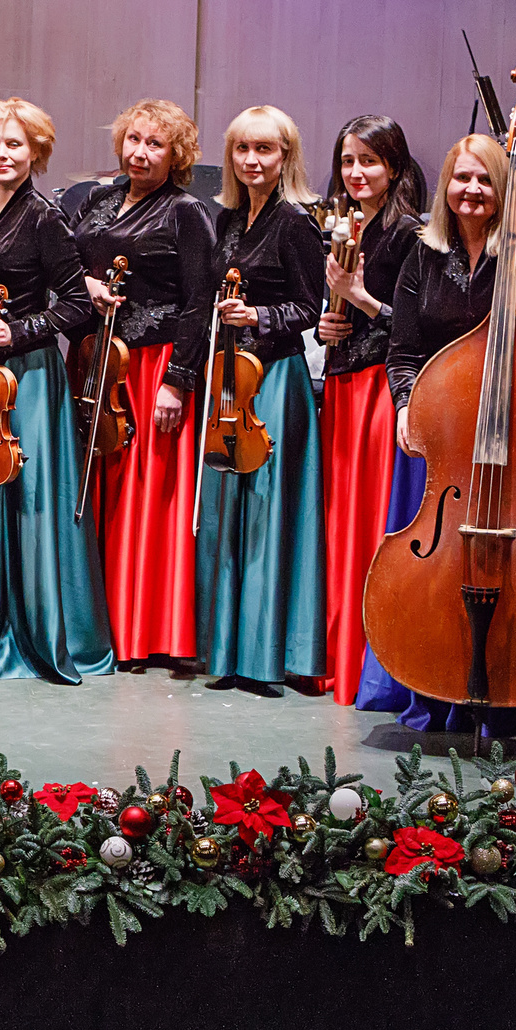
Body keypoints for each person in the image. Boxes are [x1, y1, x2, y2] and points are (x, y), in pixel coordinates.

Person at [375, 132, 516, 742]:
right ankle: (441, 687)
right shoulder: (425, 252)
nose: (472, 190)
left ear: (505, 188)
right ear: (446, 184)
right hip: (451, 443)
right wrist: (404, 404)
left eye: (485, 179)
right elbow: (405, 349)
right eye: (462, 178)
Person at [0, 98, 113, 684]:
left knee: (29, 498)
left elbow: (73, 304)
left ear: (35, 152)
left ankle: (36, 631)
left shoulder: (46, 217)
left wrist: (15, 330)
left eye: (14, 145)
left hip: (29, 378)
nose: (2, 155)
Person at [69, 99, 219, 669]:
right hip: (103, 365)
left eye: (155, 144)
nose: (140, 152)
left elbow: (198, 300)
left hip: (154, 366)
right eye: (133, 139)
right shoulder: (101, 201)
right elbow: (68, 269)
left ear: (176, 155)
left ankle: (150, 631)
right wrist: (83, 281)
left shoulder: (186, 212)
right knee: (104, 493)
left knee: (149, 499)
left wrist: (177, 382)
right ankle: (106, 623)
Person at [198, 105, 327, 695]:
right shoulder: (227, 221)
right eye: (243, 150)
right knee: (232, 510)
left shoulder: (296, 222)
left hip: (275, 380)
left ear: (285, 157)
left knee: (270, 511)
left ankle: (265, 654)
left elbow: (310, 307)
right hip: (232, 378)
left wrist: (259, 315)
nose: (252, 161)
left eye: (265, 150)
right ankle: (227, 649)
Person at [311, 115, 428, 707]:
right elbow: (330, 315)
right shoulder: (346, 226)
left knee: (370, 523)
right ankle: (339, 657)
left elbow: (418, 329)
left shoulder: (412, 234)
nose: (356, 172)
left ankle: (372, 665)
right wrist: (328, 321)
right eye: (347, 161)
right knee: (340, 522)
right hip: (341, 381)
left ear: (395, 167)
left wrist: (358, 299)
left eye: (369, 162)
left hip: (383, 389)